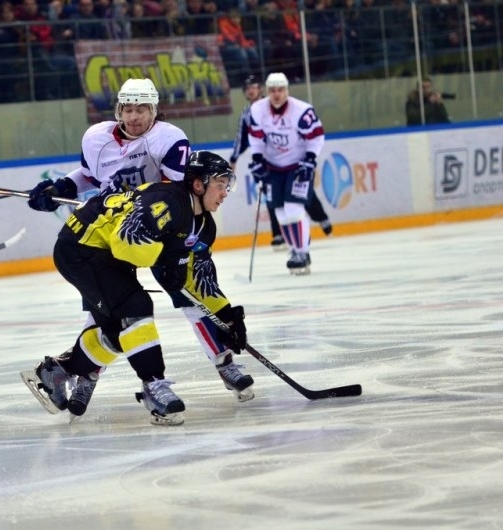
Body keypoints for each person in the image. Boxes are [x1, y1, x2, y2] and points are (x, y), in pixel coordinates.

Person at [26, 78, 255, 420]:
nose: (134, 117)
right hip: (113, 236)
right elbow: (89, 174)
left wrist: (180, 257)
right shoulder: (96, 138)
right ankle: (86, 374)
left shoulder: (168, 139)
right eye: (128, 109)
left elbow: (182, 194)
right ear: (118, 110)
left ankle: (224, 362)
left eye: (142, 109)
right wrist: (60, 188)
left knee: (189, 294)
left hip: (161, 230)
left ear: (154, 111)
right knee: (108, 313)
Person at [229, 75, 332, 251]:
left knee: (298, 201)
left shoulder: (297, 109)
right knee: (276, 204)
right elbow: (247, 138)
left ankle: (316, 224)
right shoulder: (251, 112)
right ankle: (280, 236)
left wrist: (309, 158)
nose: (251, 91)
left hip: (296, 162)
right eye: (247, 88)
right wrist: (248, 158)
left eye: (254, 87)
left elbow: (315, 136)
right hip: (272, 163)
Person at [247, 72, 325, 275]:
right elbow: (255, 137)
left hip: (298, 165)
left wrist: (310, 159)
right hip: (273, 167)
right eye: (272, 90)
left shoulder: (302, 110)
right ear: (267, 91)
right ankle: (294, 251)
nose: (277, 94)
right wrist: (257, 159)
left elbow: (316, 137)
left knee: (294, 210)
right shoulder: (257, 109)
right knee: (281, 214)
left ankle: (302, 252)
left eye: (280, 90)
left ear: (287, 90)